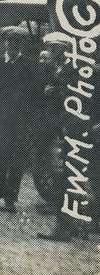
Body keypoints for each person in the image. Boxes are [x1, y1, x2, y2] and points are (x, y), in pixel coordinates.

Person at [38, 33, 91, 240]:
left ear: (62, 50)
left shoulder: (74, 70)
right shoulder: (59, 68)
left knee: (66, 178)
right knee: (70, 178)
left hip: (71, 130)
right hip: (62, 128)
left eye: (53, 49)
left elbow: (78, 99)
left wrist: (56, 91)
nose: (49, 52)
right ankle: (78, 226)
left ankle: (65, 228)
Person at [0, 25, 39, 212]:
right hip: (1, 120)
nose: (13, 45)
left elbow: (34, 93)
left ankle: (11, 196)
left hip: (21, 120)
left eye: (17, 42)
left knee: (18, 158)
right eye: (10, 41)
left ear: (22, 45)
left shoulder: (29, 65)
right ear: (5, 43)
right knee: (0, 156)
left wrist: (29, 115)